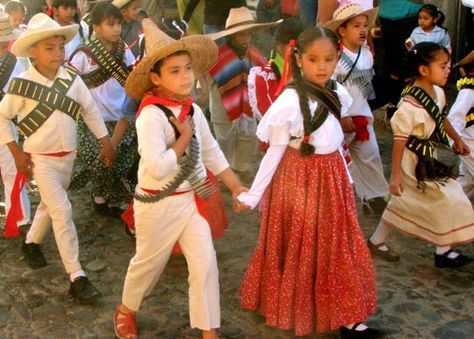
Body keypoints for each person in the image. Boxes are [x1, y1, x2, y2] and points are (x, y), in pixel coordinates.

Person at [236, 26, 382, 338]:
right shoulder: (289, 102)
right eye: (314, 59)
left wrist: (345, 175)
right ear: (300, 60)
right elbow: (274, 152)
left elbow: (334, 139)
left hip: (332, 179)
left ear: (337, 58)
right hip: (298, 180)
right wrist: (253, 194)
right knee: (298, 245)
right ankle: (293, 306)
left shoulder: (336, 92)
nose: (322, 66)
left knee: (336, 245)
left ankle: (347, 315)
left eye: (329, 59)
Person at [113, 19, 247, 339]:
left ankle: (208, 330)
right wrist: (184, 138)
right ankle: (126, 309)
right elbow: (158, 167)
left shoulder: (193, 111)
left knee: (205, 264)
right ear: (155, 77)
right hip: (157, 203)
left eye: (188, 68)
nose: (185, 76)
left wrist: (235, 186)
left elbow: (212, 152)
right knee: (148, 263)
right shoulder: (149, 115)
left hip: (190, 200)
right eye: (174, 70)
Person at [0, 13, 115, 303]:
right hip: (40, 160)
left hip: (68, 159)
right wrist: (15, 151)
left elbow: (89, 110)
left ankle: (31, 242)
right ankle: (77, 276)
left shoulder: (72, 79)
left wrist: (105, 141)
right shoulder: (21, 84)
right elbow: (2, 116)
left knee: (51, 207)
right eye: (49, 48)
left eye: (60, 47)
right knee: (63, 211)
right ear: (33, 51)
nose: (57, 53)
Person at [368, 42, 474, 267]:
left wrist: (456, 139)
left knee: (405, 202)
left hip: (426, 157)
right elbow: (399, 142)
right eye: (443, 66)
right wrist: (395, 175)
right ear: (424, 70)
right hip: (411, 161)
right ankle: (442, 250)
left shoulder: (437, 93)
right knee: (444, 197)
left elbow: (440, 118)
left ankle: (378, 241)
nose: (448, 70)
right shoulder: (409, 104)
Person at [68, 1, 137, 217]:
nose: (117, 28)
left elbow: (134, 80)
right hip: (93, 120)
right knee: (100, 161)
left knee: (120, 160)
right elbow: (69, 85)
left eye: (118, 23)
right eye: (110, 24)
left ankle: (107, 199)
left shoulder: (124, 50)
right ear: (96, 27)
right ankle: (101, 198)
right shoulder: (83, 54)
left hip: (120, 117)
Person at [326, 2, 389, 215]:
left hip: (362, 117)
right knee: (339, 163)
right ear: (341, 30)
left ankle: (373, 197)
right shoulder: (333, 56)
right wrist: (341, 115)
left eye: (364, 25)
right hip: (338, 120)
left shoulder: (367, 54)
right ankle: (336, 203)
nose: (362, 30)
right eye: (356, 26)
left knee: (370, 156)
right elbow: (329, 89)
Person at [206, 7, 280, 182]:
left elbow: (263, 74)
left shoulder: (254, 53)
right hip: (222, 107)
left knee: (248, 136)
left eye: (249, 34)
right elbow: (209, 78)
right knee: (224, 139)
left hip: (248, 107)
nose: (246, 38)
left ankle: (242, 166)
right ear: (232, 35)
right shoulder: (218, 55)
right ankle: (224, 171)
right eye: (242, 35)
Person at [0, 12, 30, 235]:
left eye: (4, 44)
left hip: (7, 125)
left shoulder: (16, 65)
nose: (2, 49)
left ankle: (19, 221)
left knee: (12, 171)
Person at [248, 17, 304, 120]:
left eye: (301, 47)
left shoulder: (307, 67)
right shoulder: (266, 77)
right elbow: (271, 115)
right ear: (279, 45)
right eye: (294, 46)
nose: (297, 51)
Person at [447, 51, 474, 198]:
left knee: (466, 183)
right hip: (469, 143)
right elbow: (454, 118)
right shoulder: (470, 89)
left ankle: (447, 211)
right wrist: (455, 141)